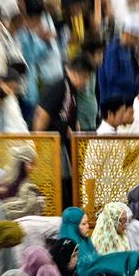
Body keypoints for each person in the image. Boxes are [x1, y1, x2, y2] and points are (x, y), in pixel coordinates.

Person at [35, 56, 95, 207]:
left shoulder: (72, 89)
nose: (86, 82)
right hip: (51, 145)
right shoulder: (59, 87)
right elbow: (41, 115)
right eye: (85, 77)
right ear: (77, 74)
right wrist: (38, 143)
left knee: (67, 182)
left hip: (62, 145)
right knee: (58, 184)